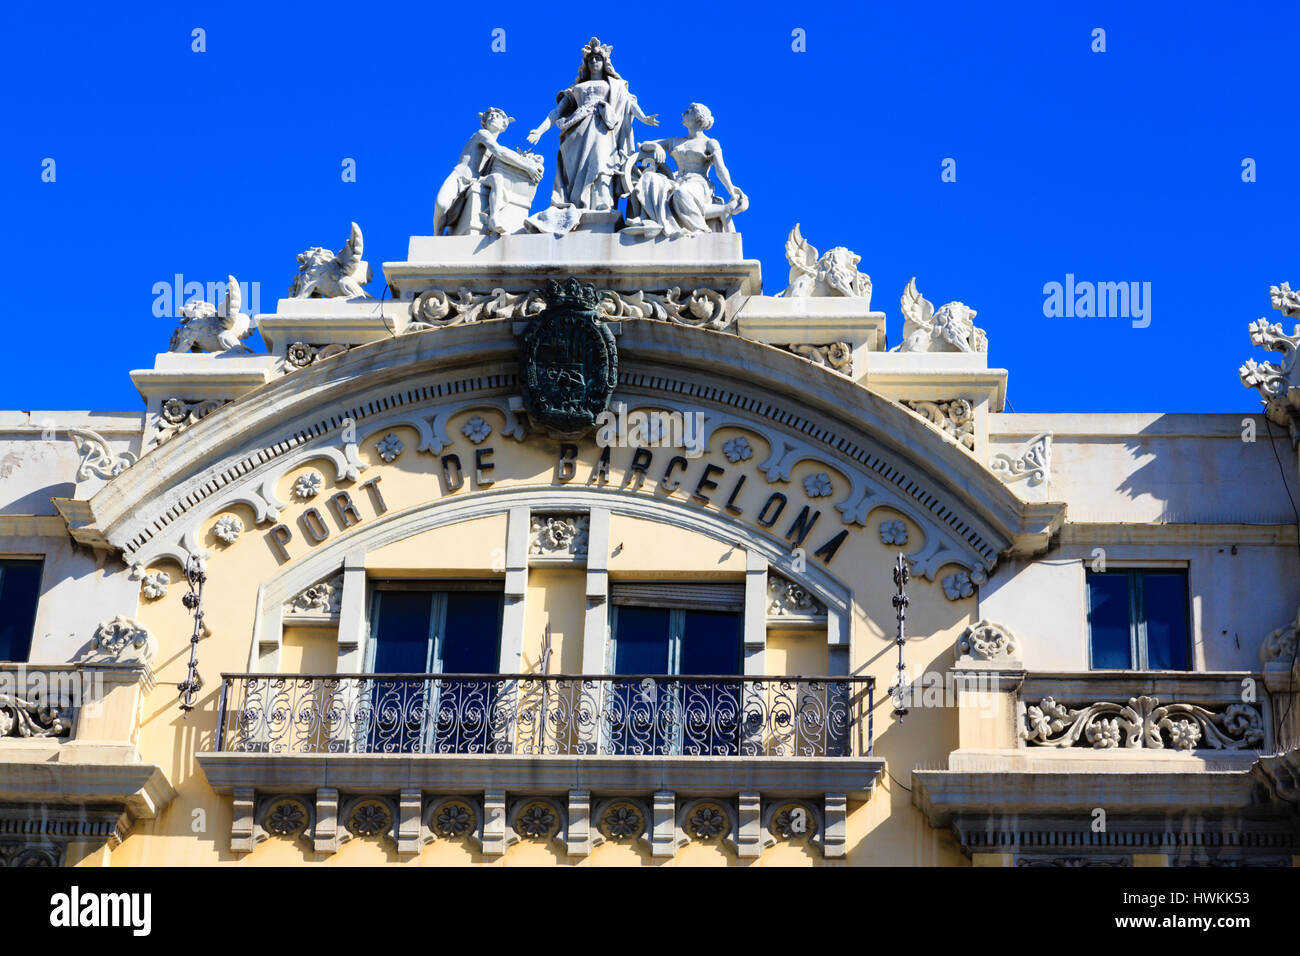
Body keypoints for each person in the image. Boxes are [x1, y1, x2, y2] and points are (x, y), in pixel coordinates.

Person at [526, 38, 658, 213]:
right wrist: (540, 131)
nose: (594, 62)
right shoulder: (577, 88)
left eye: (598, 59)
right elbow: (556, 112)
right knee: (576, 169)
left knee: (602, 161)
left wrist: (643, 118)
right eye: (591, 59)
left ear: (605, 62)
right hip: (576, 129)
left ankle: (602, 204)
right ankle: (576, 204)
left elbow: (628, 102)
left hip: (602, 127)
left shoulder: (615, 85)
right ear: (586, 64)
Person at [624, 102, 747, 237]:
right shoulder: (675, 141)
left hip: (699, 184)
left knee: (681, 193)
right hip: (677, 181)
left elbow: (720, 168)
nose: (683, 114)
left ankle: (701, 230)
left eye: (688, 112)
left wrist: (731, 190)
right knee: (649, 178)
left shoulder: (709, 143)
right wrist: (656, 147)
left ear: (697, 118)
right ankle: (646, 219)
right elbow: (644, 146)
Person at [433, 108, 543, 236]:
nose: (493, 116)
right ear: (484, 122)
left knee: (497, 179)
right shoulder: (482, 134)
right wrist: (528, 167)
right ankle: (437, 235)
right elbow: (500, 152)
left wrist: (530, 162)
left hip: (476, 180)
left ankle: (493, 218)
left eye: (497, 116)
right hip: (460, 176)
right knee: (441, 205)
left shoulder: (496, 146)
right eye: (490, 115)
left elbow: (505, 153)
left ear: (504, 125)